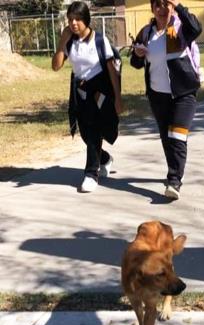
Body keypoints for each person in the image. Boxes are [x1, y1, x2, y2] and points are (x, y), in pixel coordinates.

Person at [130, 0, 202, 200]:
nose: (162, 9)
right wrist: (137, 53)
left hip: (184, 93)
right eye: (158, 5)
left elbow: (197, 28)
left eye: (166, 4)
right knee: (166, 138)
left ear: (172, 6)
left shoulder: (180, 28)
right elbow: (135, 62)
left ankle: (174, 180)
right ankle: (176, 170)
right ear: (152, 8)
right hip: (157, 95)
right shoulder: (147, 33)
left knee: (177, 136)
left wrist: (178, 5)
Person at [52, 1, 122, 193]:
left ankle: (91, 174)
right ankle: (105, 159)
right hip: (80, 93)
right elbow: (56, 66)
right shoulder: (70, 41)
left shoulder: (99, 41)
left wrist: (117, 98)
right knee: (85, 133)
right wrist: (62, 42)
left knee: (94, 132)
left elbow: (112, 70)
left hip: (100, 93)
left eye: (78, 19)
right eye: (70, 20)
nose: (74, 23)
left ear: (86, 20)